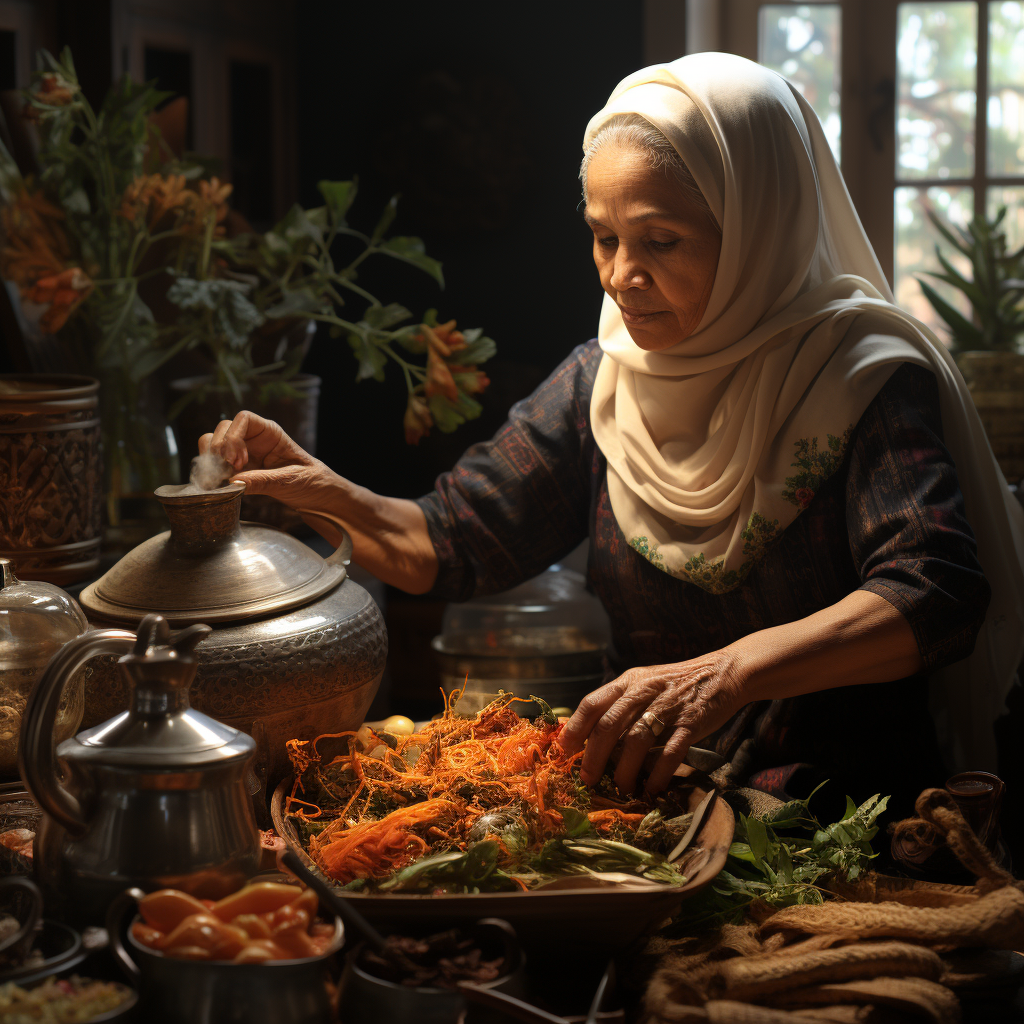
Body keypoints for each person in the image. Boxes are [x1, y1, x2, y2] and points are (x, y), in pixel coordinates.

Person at [201, 54, 1024, 815]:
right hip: (655, 818)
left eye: (659, 242)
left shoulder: (862, 377)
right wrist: (320, 489)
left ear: (757, 229)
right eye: (604, 236)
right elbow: (450, 542)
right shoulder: (605, 380)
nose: (621, 275)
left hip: (849, 824)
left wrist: (729, 671)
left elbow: (937, 594)